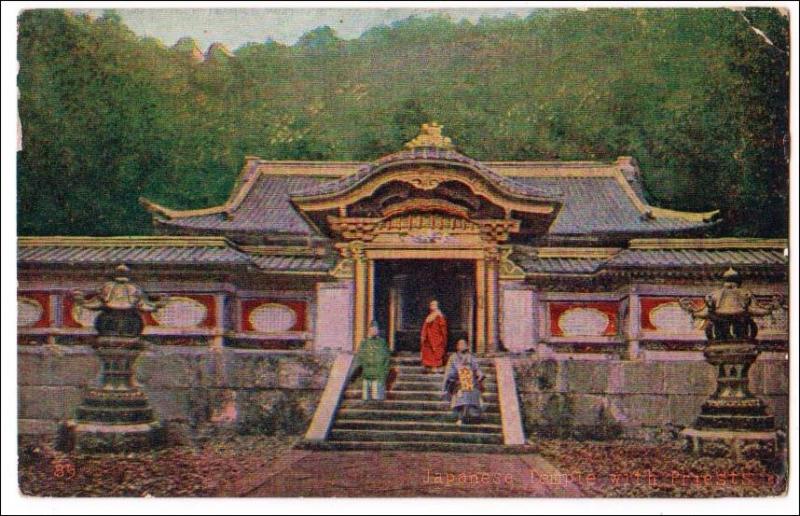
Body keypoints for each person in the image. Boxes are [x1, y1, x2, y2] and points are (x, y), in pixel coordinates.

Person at [442, 339, 484, 426]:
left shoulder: (471, 357)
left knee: (470, 395)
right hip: (458, 382)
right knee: (462, 397)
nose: (462, 346)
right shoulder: (453, 357)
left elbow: (477, 368)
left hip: (470, 381)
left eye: (464, 344)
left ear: (467, 346)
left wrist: (479, 374)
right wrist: (453, 378)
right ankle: (461, 417)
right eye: (460, 344)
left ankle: (469, 416)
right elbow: (450, 371)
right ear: (457, 347)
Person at [355, 321, 391, 401]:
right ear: (369, 330)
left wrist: (384, 371)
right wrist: (362, 367)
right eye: (372, 329)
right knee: (366, 397)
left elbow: (386, 358)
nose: (374, 331)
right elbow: (360, 357)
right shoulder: (364, 343)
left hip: (378, 374)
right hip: (366, 373)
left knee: (377, 398)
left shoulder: (382, 343)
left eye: (376, 329)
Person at [420, 299, 447, 373]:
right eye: (431, 305)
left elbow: (443, 327)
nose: (432, 306)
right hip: (429, 337)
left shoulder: (439, 315)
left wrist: (442, 337)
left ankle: (436, 367)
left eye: (434, 305)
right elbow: (425, 326)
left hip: (437, 337)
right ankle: (429, 368)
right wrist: (424, 335)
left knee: (437, 352)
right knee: (428, 352)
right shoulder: (429, 316)